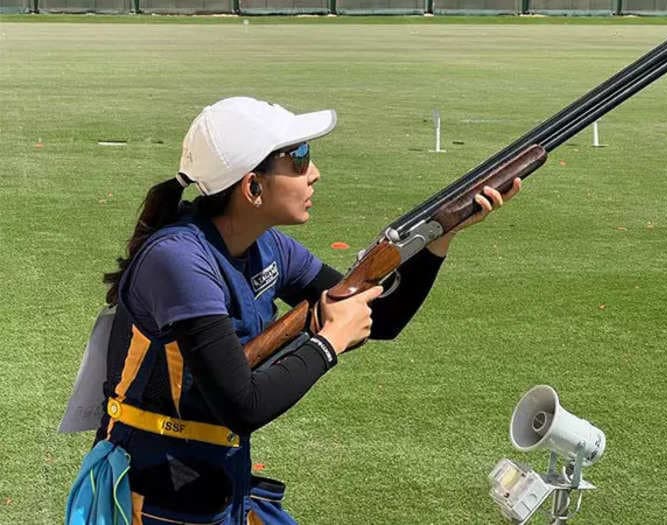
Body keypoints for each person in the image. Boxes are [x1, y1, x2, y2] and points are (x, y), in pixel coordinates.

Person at [76, 97, 520, 525]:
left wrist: (440, 239)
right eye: (300, 158)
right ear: (252, 186)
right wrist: (328, 343)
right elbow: (242, 405)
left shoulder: (266, 245)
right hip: (152, 492)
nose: (315, 174)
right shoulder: (179, 260)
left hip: (212, 479)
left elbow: (378, 318)